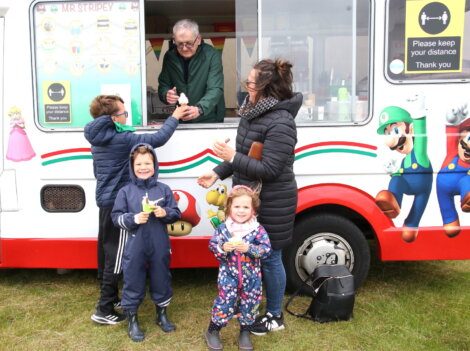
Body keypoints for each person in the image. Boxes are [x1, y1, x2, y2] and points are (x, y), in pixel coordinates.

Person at [198, 59, 302, 335]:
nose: (247, 87)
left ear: (266, 88)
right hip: (248, 198)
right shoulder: (251, 112)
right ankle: (246, 304)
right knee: (246, 256)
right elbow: (247, 155)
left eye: (251, 83)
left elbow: (269, 169)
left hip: (274, 200)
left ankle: (274, 314)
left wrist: (231, 156)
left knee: (270, 257)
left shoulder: (282, 122)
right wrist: (218, 172)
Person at [84, 95, 184, 325]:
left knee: (107, 253)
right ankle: (104, 307)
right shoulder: (120, 139)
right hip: (117, 206)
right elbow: (156, 138)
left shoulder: (99, 140)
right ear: (112, 118)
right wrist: (175, 116)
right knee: (116, 259)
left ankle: (112, 299)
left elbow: (98, 173)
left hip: (106, 203)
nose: (126, 117)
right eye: (124, 113)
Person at [111, 143, 181, 342]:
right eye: (139, 164)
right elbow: (116, 217)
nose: (143, 167)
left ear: (155, 165)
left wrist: (164, 212)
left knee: (161, 277)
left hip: (159, 244)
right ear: (132, 166)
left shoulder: (164, 189)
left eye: (147, 163)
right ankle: (132, 319)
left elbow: (176, 213)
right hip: (134, 246)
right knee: (132, 279)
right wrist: (133, 219)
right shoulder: (126, 191)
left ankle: (161, 314)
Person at [205, 185, 271, 351]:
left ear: (253, 210)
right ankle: (213, 330)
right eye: (237, 206)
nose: (241, 211)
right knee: (225, 302)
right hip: (228, 275)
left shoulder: (257, 230)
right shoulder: (223, 229)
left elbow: (266, 250)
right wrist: (222, 248)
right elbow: (213, 246)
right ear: (229, 208)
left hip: (252, 278)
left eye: (246, 207)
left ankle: (245, 332)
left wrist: (250, 249)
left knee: (250, 303)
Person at [158, 19, 225, 123]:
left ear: (198, 39)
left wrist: (200, 109)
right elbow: (163, 84)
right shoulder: (169, 56)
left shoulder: (212, 55)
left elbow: (215, 89)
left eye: (189, 43)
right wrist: (166, 94)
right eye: (180, 44)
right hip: (181, 119)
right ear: (174, 40)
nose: (184, 48)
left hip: (209, 119)